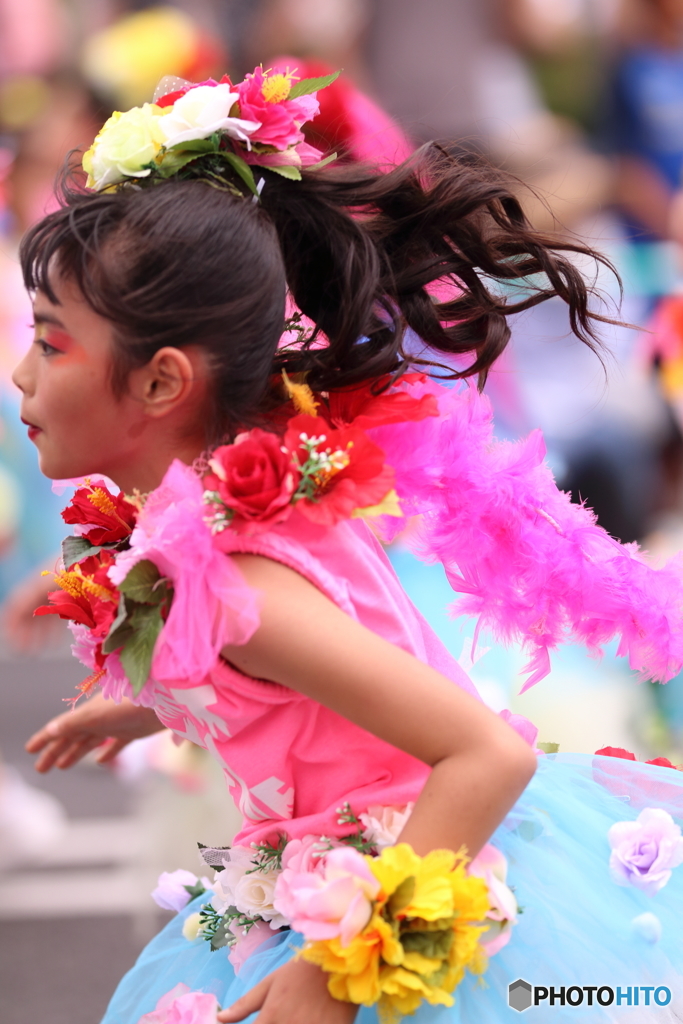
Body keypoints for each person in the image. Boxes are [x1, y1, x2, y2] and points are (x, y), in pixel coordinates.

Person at [13, 70, 683, 1023]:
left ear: (162, 383)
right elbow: (296, 683)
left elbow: (485, 756)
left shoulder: (240, 575)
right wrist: (156, 705)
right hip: (330, 873)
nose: (20, 373)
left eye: (50, 342)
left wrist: (341, 964)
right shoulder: (256, 495)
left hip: (404, 884)